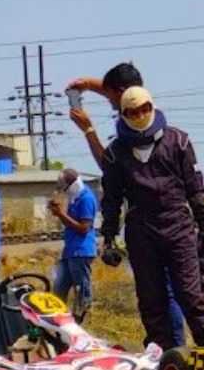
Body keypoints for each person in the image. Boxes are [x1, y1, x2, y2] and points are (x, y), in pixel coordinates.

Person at [66, 60, 187, 348]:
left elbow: (108, 166)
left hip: (152, 223)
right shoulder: (147, 115)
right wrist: (90, 83)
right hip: (163, 221)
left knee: (162, 291)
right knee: (158, 290)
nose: (110, 103)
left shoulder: (137, 129)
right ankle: (164, 346)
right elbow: (122, 90)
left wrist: (88, 131)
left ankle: (173, 348)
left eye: (110, 97)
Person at [100, 87, 204, 350]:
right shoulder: (114, 154)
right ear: (123, 114)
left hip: (178, 225)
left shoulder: (179, 142)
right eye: (132, 112)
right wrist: (108, 239)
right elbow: (111, 200)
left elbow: (194, 188)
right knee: (152, 301)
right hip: (142, 230)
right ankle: (167, 359)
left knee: (190, 296)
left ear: (152, 107)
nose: (139, 115)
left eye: (144, 109)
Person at [49, 168, 98, 313]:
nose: (64, 192)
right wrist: (59, 214)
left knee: (81, 288)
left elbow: (84, 228)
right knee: (59, 287)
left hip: (81, 250)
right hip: (70, 250)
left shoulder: (86, 198)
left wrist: (61, 214)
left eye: (64, 189)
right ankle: (58, 318)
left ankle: (83, 316)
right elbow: (70, 223)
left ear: (72, 185)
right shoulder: (74, 199)